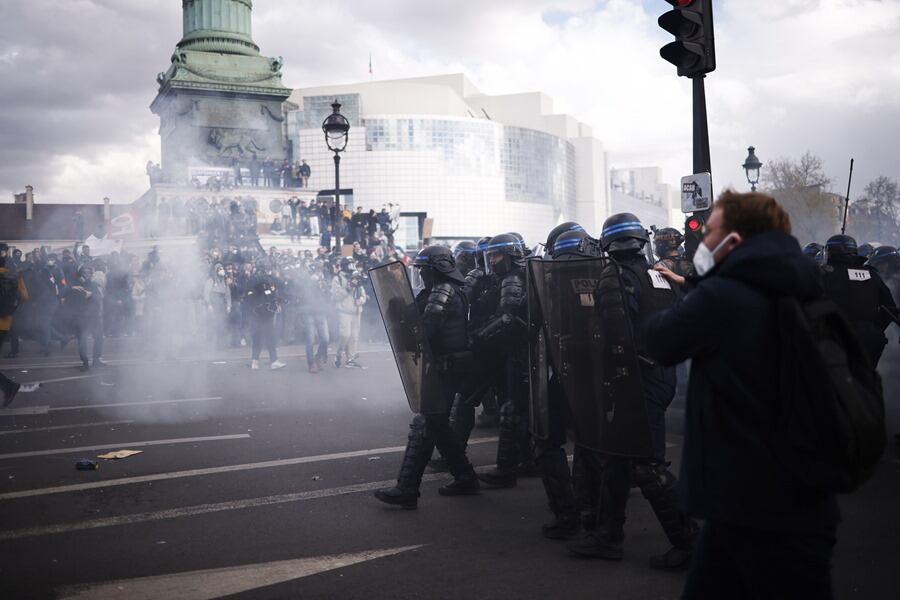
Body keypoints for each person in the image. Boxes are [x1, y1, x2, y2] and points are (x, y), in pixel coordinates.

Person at [645, 191, 841, 598]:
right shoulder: (798, 282)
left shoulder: (725, 294)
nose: (702, 241)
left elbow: (660, 340)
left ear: (734, 241)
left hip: (759, 499)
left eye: (710, 230)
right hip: (783, 489)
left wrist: (703, 283)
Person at [567, 214, 696, 570]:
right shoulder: (659, 273)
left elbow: (616, 332)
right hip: (661, 371)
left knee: (648, 466)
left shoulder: (616, 275)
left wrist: (608, 373)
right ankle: (607, 536)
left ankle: (691, 543)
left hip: (636, 377)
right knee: (618, 456)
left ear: (608, 244)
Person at [374, 246, 480, 508]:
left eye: (425, 269)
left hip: (446, 367)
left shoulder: (442, 291)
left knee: (425, 423)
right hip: (448, 367)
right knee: (438, 425)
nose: (422, 274)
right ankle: (465, 476)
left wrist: (404, 326)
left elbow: (425, 329)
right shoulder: (445, 289)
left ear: (439, 268)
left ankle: (407, 489)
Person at [472, 233, 533, 488]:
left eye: (497, 255)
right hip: (518, 352)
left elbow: (507, 318)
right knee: (519, 411)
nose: (493, 260)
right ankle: (527, 460)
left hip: (518, 352)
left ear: (510, 255)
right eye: (491, 255)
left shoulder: (513, 279)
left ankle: (506, 470)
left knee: (512, 409)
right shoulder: (511, 277)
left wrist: (477, 338)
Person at [821, 234, 896, 368]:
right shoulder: (871, 275)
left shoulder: (825, 275)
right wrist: (875, 328)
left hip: (837, 340)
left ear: (833, 253)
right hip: (871, 341)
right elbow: (891, 308)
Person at [63, 264, 105, 371]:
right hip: (81, 316)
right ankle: (85, 361)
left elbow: (99, 297)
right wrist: (72, 288)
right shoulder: (74, 284)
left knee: (99, 337)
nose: (87, 274)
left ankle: (96, 359)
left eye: (89, 272)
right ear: (80, 273)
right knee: (82, 339)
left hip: (93, 316)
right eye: (85, 272)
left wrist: (91, 295)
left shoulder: (93, 284)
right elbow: (62, 294)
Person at [244, 263, 286, 370]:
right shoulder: (265, 280)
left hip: (256, 313)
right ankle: (273, 361)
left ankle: (255, 362)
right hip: (265, 314)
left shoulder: (252, 280)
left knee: (257, 338)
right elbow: (281, 283)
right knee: (269, 337)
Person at [331, 258, 367, 368]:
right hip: (344, 311)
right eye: (350, 264)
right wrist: (349, 287)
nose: (352, 267)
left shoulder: (356, 276)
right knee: (345, 335)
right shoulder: (337, 278)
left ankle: (350, 359)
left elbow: (363, 295)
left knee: (354, 337)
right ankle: (338, 353)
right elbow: (335, 296)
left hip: (356, 311)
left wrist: (360, 301)